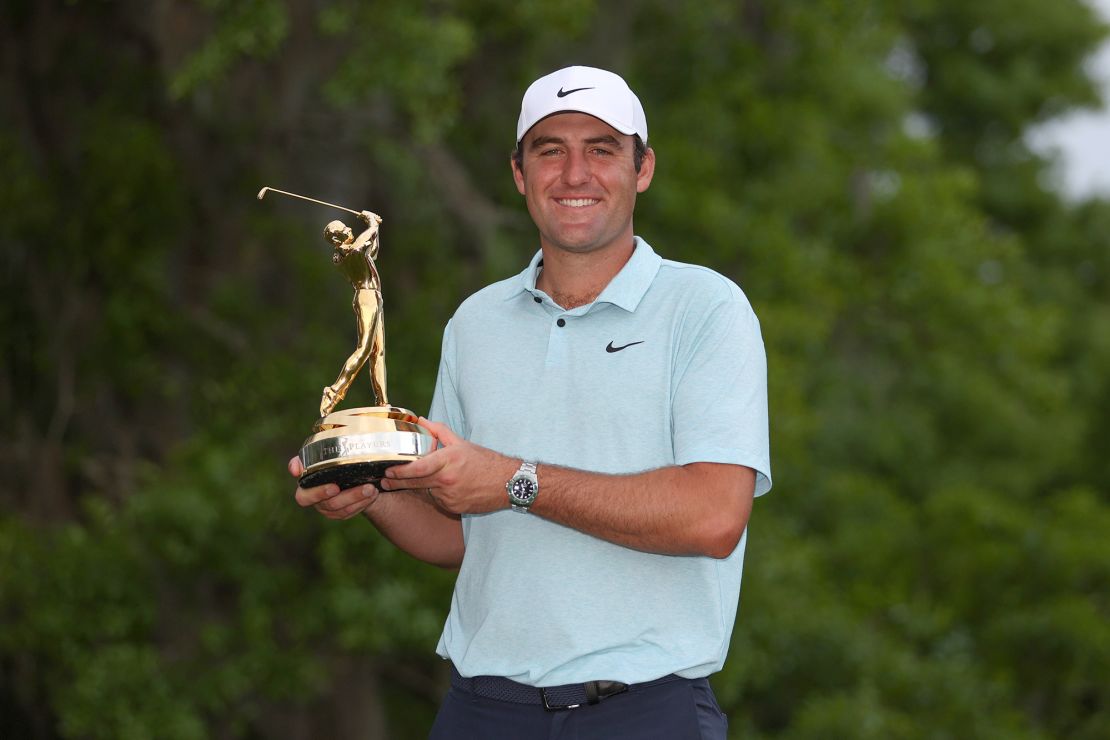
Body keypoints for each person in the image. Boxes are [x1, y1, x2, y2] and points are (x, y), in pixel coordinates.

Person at [290, 65, 771, 739]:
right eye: (551, 150)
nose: (575, 173)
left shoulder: (706, 309)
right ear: (520, 173)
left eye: (601, 149)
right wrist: (376, 495)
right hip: (482, 708)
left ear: (643, 168)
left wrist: (517, 482)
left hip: (643, 708)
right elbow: (463, 532)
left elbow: (714, 516)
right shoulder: (476, 323)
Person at [319, 211, 388, 417]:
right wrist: (372, 224)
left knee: (379, 352)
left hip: (375, 297)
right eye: (343, 230)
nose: (349, 229)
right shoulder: (346, 255)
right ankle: (334, 391)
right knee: (365, 349)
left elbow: (372, 249)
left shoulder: (354, 250)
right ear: (335, 239)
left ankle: (382, 402)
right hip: (366, 298)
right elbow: (362, 244)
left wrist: (374, 228)